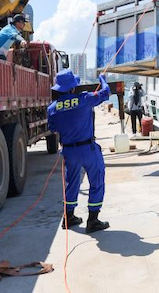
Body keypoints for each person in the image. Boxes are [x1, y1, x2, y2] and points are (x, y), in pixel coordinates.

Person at [48, 69, 111, 233]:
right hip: (87, 149)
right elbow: (106, 92)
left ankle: (68, 218)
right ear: (72, 87)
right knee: (97, 182)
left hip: (69, 151)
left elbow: (53, 128)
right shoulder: (84, 99)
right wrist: (102, 79)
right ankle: (93, 220)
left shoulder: (52, 108)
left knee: (72, 184)